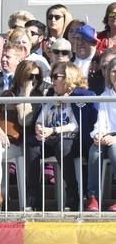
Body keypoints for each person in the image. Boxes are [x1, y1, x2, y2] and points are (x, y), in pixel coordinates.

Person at [27, 62, 96, 211]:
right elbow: (41, 116)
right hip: (51, 138)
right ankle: (33, 199)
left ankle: (72, 196)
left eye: (56, 76)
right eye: (52, 76)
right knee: (32, 146)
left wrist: (54, 130)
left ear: (69, 77)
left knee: (62, 146)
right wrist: (39, 128)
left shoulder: (82, 96)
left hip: (73, 140)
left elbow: (77, 125)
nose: (52, 80)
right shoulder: (51, 95)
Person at [0, 57, 44, 209]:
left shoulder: (40, 97)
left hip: (22, 145)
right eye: (29, 76)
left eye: (36, 77)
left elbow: (24, 120)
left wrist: (25, 95)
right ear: (20, 77)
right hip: (2, 142)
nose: (33, 80)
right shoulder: (6, 94)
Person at [87, 57, 116, 211]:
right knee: (95, 152)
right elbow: (101, 120)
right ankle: (93, 197)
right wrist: (98, 134)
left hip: (114, 138)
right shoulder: (106, 94)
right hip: (107, 134)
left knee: (115, 150)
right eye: (113, 71)